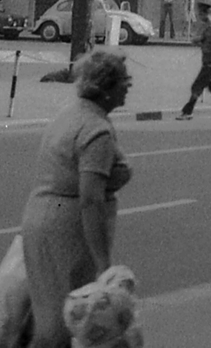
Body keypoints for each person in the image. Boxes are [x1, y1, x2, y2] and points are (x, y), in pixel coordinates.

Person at [21, 51, 133, 348]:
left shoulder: (72, 112)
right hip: (66, 231)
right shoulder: (96, 131)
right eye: (124, 80)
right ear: (106, 87)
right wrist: (103, 264)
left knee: (51, 317)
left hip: (43, 218)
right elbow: (91, 200)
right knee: (68, 323)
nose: (129, 86)